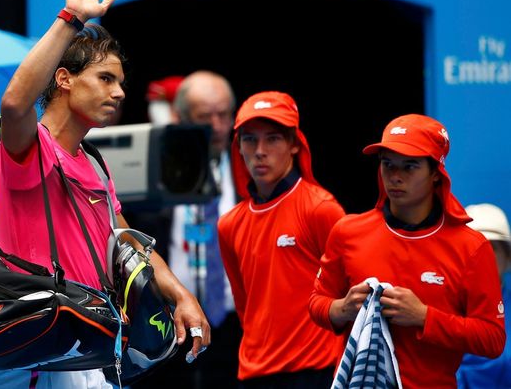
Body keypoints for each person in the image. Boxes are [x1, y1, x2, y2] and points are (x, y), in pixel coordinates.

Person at [0, 0, 209, 389]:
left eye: (121, 82)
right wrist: (72, 19)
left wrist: (180, 293)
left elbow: (124, 241)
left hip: (89, 354)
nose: (120, 92)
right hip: (34, 355)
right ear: (64, 79)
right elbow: (14, 104)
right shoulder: (30, 149)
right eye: (105, 78)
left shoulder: (93, 163)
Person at [309, 114, 506, 389]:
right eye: (387, 165)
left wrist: (424, 317)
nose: (395, 177)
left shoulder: (471, 247)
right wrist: (343, 308)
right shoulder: (347, 231)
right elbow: (317, 302)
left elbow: (492, 339)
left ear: (436, 174)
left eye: (409, 166)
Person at [218, 91, 346, 388]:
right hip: (254, 375)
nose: (260, 150)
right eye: (249, 139)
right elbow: (245, 307)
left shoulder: (321, 209)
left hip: (316, 373)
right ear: (238, 148)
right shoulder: (229, 224)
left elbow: (349, 297)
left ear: (293, 145)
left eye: (273, 138)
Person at [145, 70, 240, 388]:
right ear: (182, 117)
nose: (216, 126)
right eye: (204, 116)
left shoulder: (250, 171)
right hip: (171, 325)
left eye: (223, 115)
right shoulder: (154, 170)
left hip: (238, 328)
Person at [457, 203, 511, 388]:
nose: (483, 257)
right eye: (474, 248)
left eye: (492, 248)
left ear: (508, 257)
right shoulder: (432, 309)